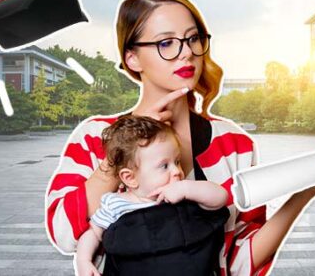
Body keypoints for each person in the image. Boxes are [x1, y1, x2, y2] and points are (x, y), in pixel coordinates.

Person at [45, 0, 315, 275]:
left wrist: (305, 191)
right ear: (132, 58)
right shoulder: (94, 136)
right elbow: (64, 235)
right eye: (167, 43)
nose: (187, 51)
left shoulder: (233, 143)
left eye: (193, 39)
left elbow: (237, 262)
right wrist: (120, 149)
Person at [76, 114, 229, 276]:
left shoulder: (185, 194)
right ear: (130, 178)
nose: (177, 171)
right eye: (164, 166)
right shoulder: (115, 204)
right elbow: (93, 233)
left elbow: (220, 198)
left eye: (177, 161)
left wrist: (187, 189)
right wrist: (83, 260)